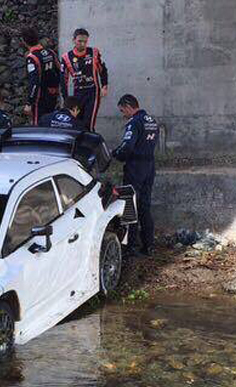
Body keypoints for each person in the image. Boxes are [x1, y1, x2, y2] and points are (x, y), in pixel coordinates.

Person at [112, 94, 159, 256]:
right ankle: (149, 245)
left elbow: (127, 148)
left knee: (129, 206)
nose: (123, 114)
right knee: (145, 205)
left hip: (135, 168)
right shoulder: (152, 121)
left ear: (128, 106)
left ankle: (131, 246)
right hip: (149, 167)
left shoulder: (134, 123)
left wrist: (115, 154)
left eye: (122, 110)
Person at [60, 28, 109, 132]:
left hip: (93, 92)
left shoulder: (94, 52)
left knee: (88, 124)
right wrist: (66, 99)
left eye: (85, 42)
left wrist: (104, 86)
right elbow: (63, 80)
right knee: (76, 122)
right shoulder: (66, 57)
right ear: (73, 40)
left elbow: (102, 70)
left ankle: (90, 147)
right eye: (80, 41)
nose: (82, 44)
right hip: (77, 93)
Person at [21, 27, 61, 125]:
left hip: (40, 97)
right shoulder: (50, 52)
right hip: (53, 95)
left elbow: (34, 81)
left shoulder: (32, 57)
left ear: (24, 41)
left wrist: (29, 102)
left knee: (38, 124)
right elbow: (61, 71)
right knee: (49, 123)